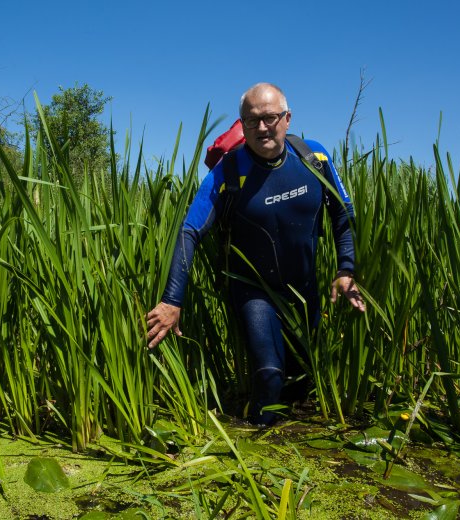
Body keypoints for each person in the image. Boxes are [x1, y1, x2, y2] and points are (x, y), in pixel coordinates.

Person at [145, 83, 366, 425]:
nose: (262, 127)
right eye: (252, 121)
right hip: (253, 291)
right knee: (269, 376)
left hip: (303, 290)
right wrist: (171, 301)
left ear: (287, 119)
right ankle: (256, 447)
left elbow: (342, 212)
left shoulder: (314, 158)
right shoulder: (229, 171)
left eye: (270, 118)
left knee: (305, 380)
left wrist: (345, 270)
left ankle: (299, 450)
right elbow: (190, 231)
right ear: (243, 124)